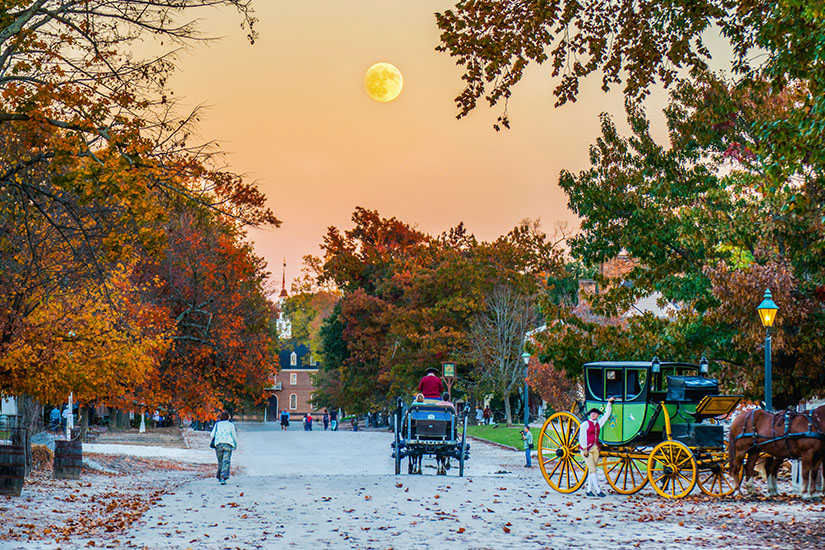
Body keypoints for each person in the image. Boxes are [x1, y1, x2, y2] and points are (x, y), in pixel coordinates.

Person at [578, 397, 614, 497]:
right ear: (590, 415)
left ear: (598, 415)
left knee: (592, 469)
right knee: (593, 469)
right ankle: (598, 491)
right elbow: (582, 437)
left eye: (596, 414)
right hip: (586, 449)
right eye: (592, 413)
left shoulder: (598, 423)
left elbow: (606, 415)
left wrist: (609, 404)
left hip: (595, 448)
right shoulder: (585, 424)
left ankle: (589, 490)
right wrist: (584, 448)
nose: (594, 415)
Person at [210, 411, 238, 485]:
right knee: (226, 461)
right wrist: (235, 444)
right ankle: (223, 477)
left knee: (220, 461)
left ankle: (219, 476)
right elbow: (234, 435)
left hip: (218, 444)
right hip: (228, 444)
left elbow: (212, 435)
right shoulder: (230, 425)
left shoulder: (217, 425)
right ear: (228, 417)